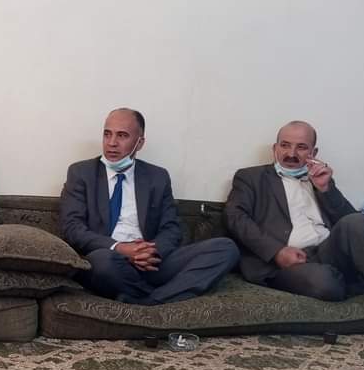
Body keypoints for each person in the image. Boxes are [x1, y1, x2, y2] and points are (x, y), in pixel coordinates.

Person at [60, 107, 239, 305]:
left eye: (122, 135)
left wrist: (150, 252)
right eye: (107, 134)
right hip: (110, 259)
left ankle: (149, 300)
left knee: (225, 248)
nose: (112, 143)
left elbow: (171, 227)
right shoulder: (81, 173)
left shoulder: (157, 177)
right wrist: (121, 248)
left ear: (140, 143)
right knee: (102, 262)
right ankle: (165, 295)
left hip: (152, 262)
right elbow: (73, 228)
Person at [225, 120, 364, 302]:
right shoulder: (251, 177)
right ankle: (357, 282)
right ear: (275, 148)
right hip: (285, 263)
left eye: (301, 147)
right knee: (325, 282)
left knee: (357, 221)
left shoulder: (319, 179)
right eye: (285, 145)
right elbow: (235, 217)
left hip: (327, 252)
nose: (291, 154)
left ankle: (357, 280)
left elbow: (350, 222)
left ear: (313, 153)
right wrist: (277, 251)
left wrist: (326, 189)